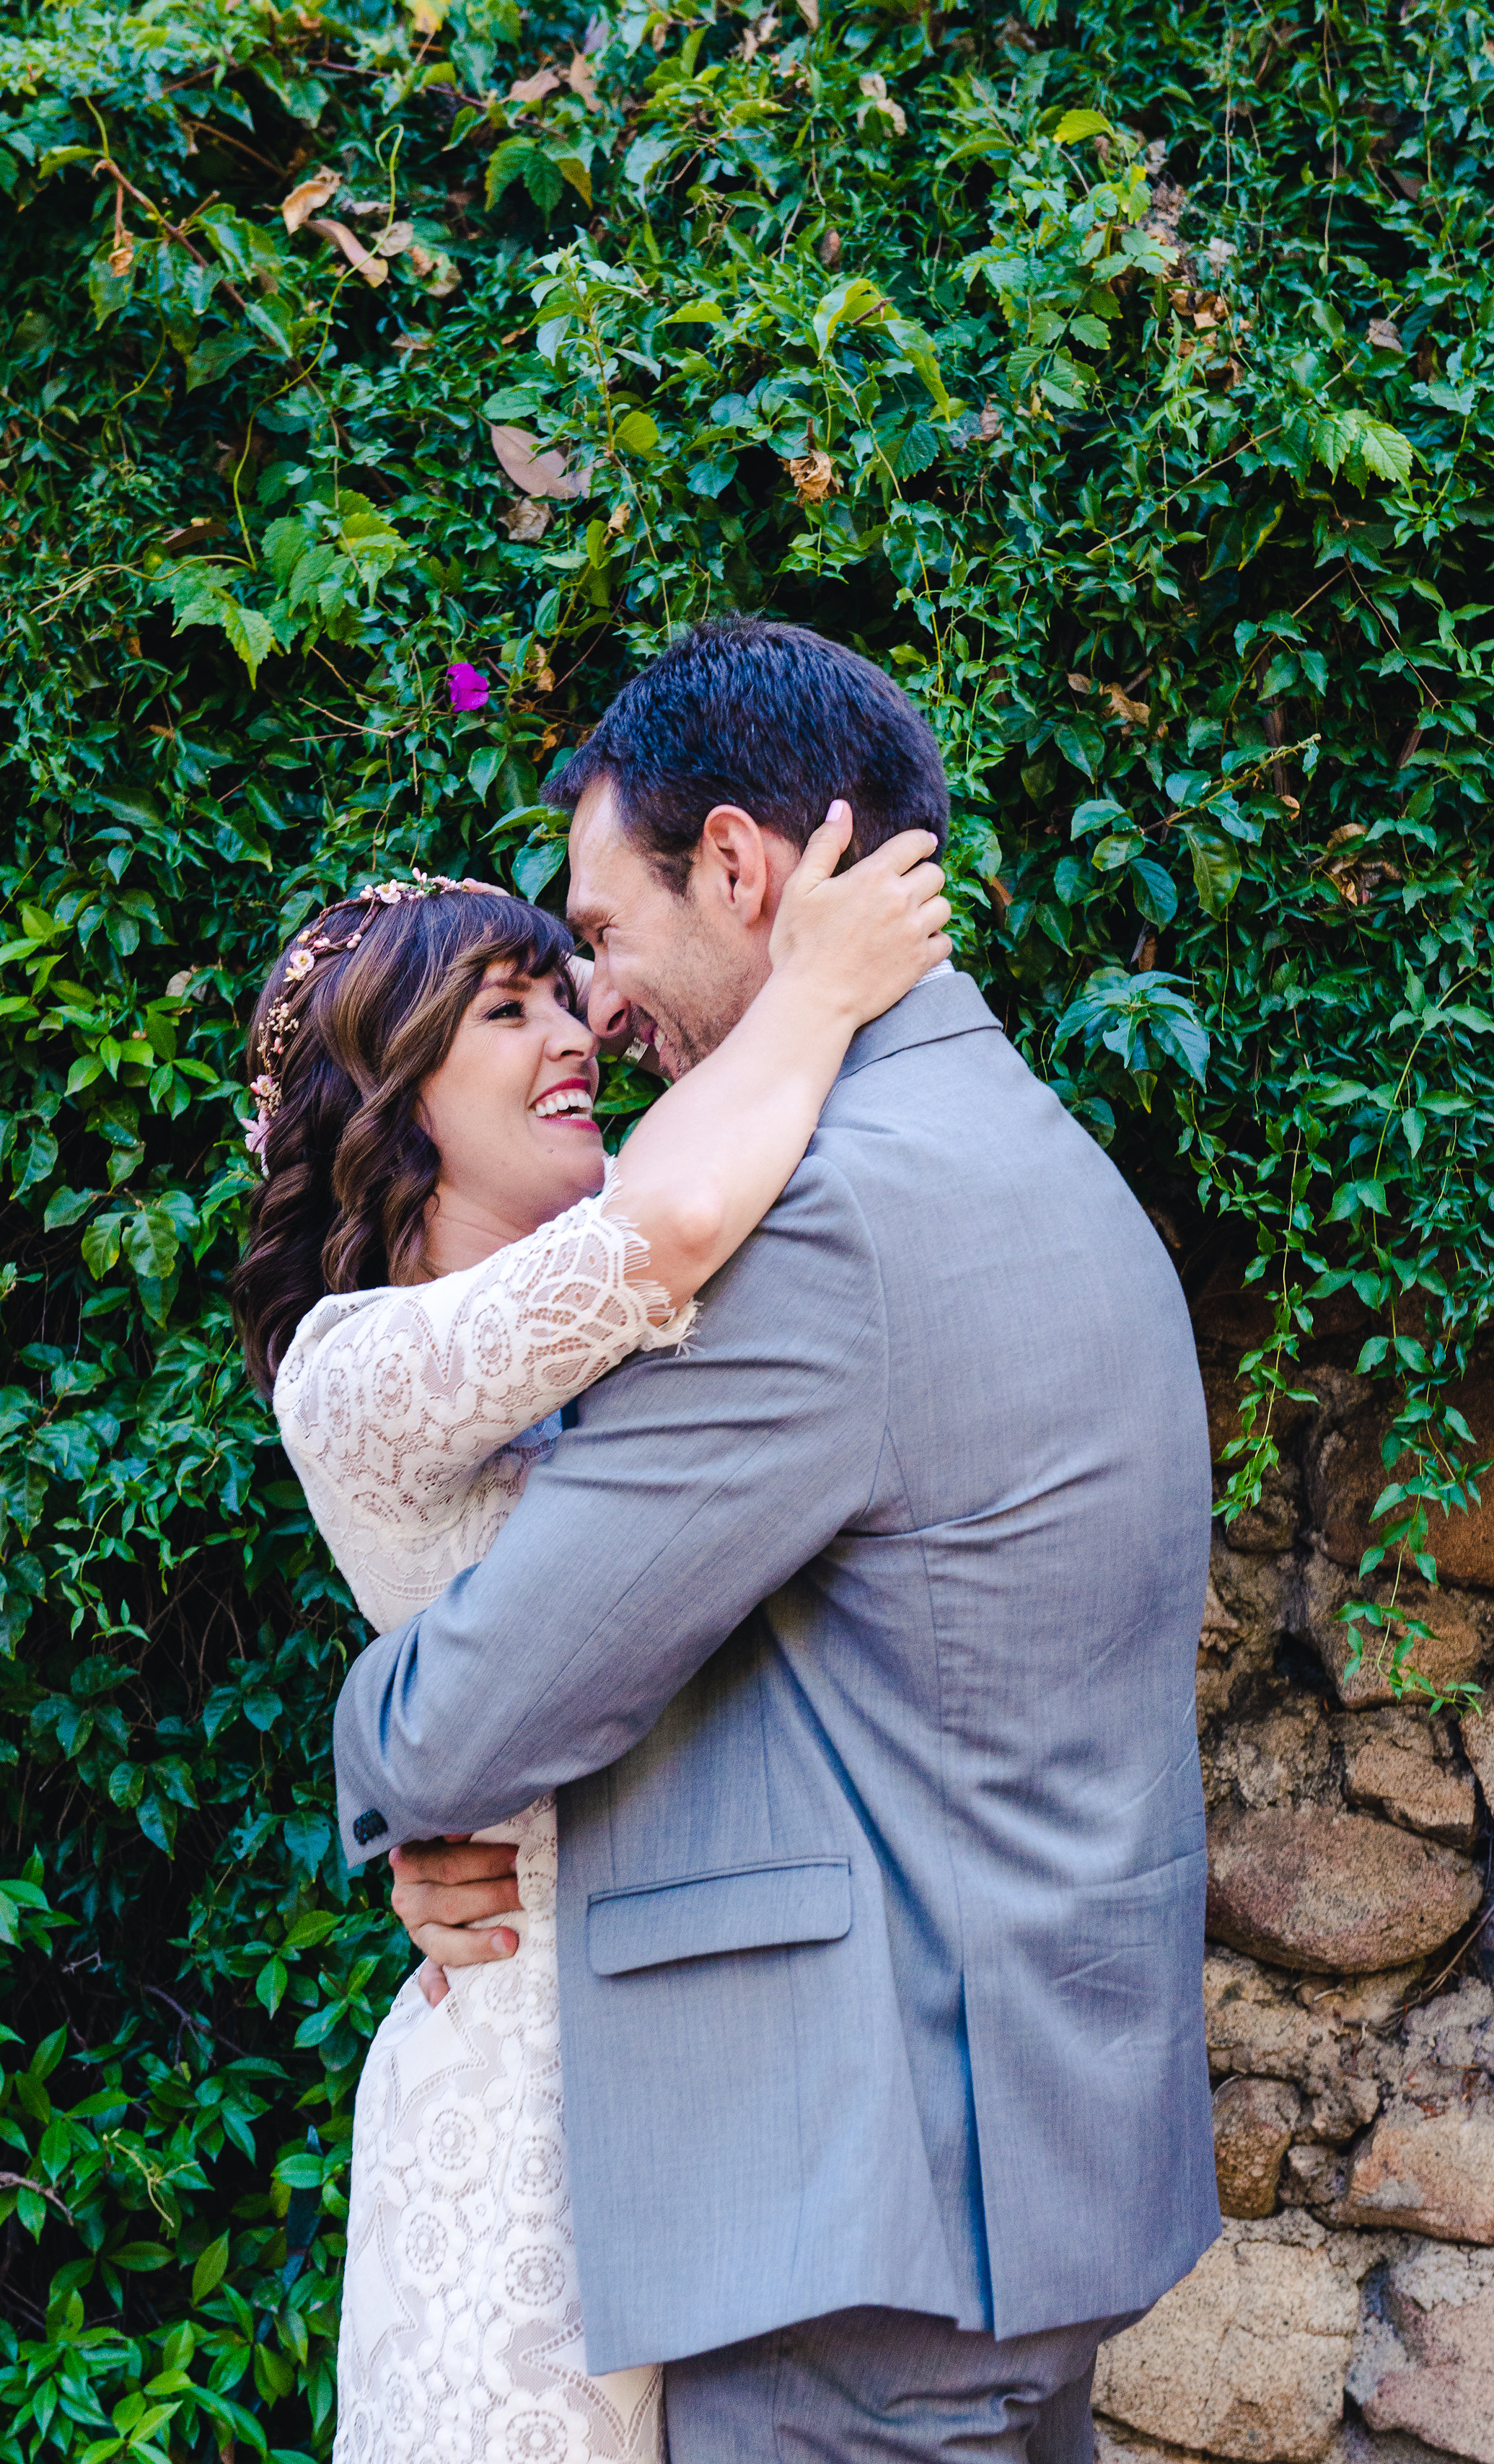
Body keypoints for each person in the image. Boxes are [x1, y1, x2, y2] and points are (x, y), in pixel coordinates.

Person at [330, 618, 1220, 2464]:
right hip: (1038, 2167)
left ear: (736, 868)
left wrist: (390, 1769)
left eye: (601, 933)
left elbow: (476, 1712)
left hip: (876, 2229)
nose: (598, 1005)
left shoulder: (817, 1231)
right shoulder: (1036, 1152)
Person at [231, 803, 954, 2464]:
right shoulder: (354, 1368)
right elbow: (676, 1228)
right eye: (508, 1009)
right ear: (387, 1094)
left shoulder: (636, 1240)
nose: (576, 1035)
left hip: (715, 2063)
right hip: (519, 2106)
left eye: (568, 992)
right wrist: (815, 983)